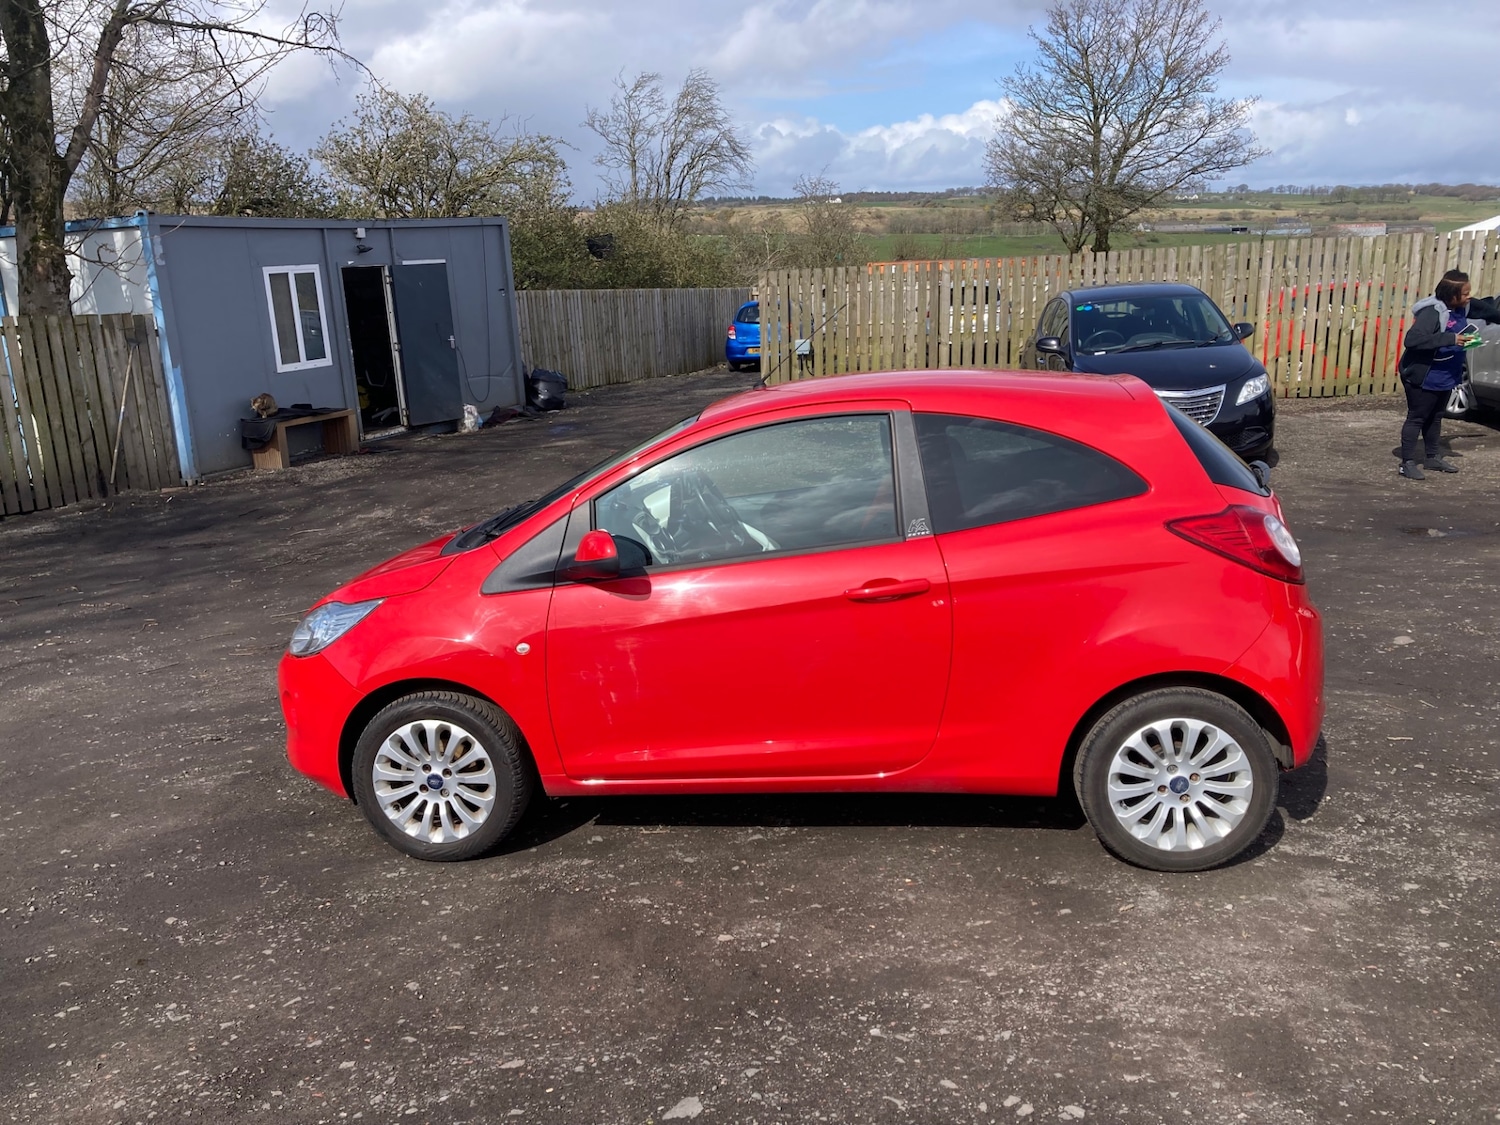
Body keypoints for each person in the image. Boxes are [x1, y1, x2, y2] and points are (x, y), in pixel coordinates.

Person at [1396, 271, 1485, 480]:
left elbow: (1490, 312)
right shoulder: (1433, 312)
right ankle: (1406, 463)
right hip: (1423, 375)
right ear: (1451, 295)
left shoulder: (1465, 307)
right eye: (1465, 294)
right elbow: (1412, 340)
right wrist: (1452, 339)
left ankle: (1432, 457)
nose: (1469, 297)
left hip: (1445, 375)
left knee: (1436, 417)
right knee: (1417, 417)